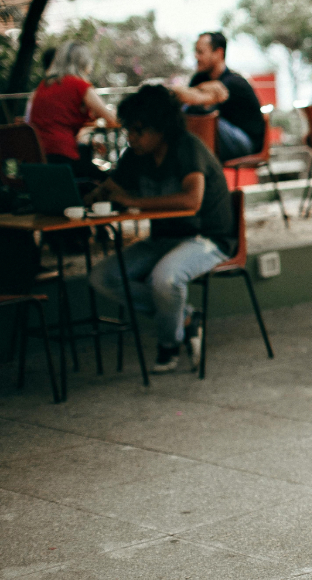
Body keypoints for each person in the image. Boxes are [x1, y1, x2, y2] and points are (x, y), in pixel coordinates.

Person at [87, 85, 236, 373]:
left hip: (207, 238)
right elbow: (109, 188)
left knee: (165, 280)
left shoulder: (187, 148)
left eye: (139, 131)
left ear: (161, 127)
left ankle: (169, 344)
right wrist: (89, 196)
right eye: (128, 130)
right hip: (162, 240)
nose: (131, 138)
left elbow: (192, 200)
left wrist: (133, 201)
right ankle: (187, 318)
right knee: (102, 277)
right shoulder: (136, 155)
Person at [27, 42, 120, 182]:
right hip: (63, 158)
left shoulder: (43, 86)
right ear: (84, 62)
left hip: (37, 158)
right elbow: (111, 119)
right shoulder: (79, 85)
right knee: (111, 182)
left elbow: (58, 118)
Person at [173, 31, 264, 162]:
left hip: (246, 143)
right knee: (183, 116)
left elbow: (196, 99)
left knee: (203, 117)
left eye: (200, 52)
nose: (196, 57)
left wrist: (181, 93)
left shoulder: (235, 82)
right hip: (217, 141)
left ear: (219, 53)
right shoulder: (198, 79)